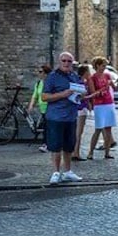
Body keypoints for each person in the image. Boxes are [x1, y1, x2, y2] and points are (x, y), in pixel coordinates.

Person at [41, 51, 83, 184]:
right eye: (64, 61)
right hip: (56, 117)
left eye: (69, 61)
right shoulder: (52, 77)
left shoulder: (74, 76)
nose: (66, 63)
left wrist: (80, 95)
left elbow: (80, 91)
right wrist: (63, 94)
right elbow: (44, 97)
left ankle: (68, 172)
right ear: (59, 62)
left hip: (71, 116)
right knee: (55, 146)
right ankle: (55, 172)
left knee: (69, 146)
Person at [86, 56, 117, 160]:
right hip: (99, 104)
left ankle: (107, 152)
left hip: (109, 103)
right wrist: (103, 89)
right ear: (97, 66)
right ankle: (90, 152)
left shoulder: (107, 75)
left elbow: (115, 88)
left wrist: (114, 83)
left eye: (105, 66)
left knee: (108, 129)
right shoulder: (92, 78)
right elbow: (93, 92)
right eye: (103, 65)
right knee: (98, 128)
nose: (104, 68)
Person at [28, 64, 51, 152]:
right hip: (43, 109)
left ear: (46, 73)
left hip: (50, 108)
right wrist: (31, 105)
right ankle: (47, 144)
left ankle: (46, 144)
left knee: (47, 127)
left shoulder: (50, 83)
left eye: (41, 72)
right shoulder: (38, 83)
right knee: (46, 126)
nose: (39, 73)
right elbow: (35, 95)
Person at [72, 64, 93, 161]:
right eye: (88, 71)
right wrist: (91, 96)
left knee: (77, 132)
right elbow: (81, 97)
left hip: (79, 108)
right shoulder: (81, 83)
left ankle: (75, 152)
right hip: (80, 108)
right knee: (78, 132)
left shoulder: (80, 82)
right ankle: (75, 153)